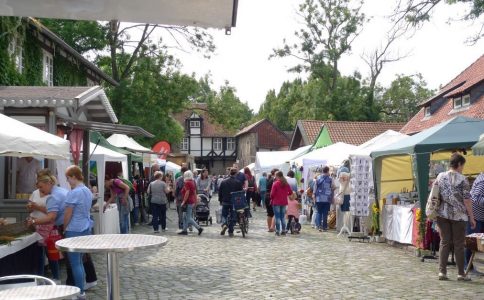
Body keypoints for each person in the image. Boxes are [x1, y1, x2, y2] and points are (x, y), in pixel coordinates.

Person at [435, 153, 476, 281]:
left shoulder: (440, 176)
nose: (462, 168)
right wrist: (472, 217)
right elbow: (467, 201)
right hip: (459, 216)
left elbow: (436, 194)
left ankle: (442, 272)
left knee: (444, 242)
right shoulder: (463, 179)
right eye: (462, 165)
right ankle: (460, 274)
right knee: (459, 244)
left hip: (442, 214)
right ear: (458, 164)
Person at [62, 165, 96, 296]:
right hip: (86, 227)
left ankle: (80, 292)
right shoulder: (87, 190)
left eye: (68, 178)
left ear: (74, 177)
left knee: (75, 263)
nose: (68, 181)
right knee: (80, 261)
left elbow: (68, 214)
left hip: (74, 229)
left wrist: (65, 228)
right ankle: (80, 290)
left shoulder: (74, 192)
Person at [27, 183, 60, 281]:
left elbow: (52, 214)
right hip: (35, 226)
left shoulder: (51, 195)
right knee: (39, 255)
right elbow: (29, 208)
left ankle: (56, 278)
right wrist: (29, 207)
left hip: (48, 227)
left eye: (41, 185)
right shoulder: (34, 193)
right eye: (38, 185)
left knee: (51, 254)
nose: (39, 188)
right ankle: (40, 278)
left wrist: (38, 207)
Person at [466, 172, 484, 271]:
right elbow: (476, 198)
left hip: (480, 216)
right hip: (475, 216)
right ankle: (468, 267)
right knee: (471, 243)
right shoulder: (482, 181)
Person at [218, 168, 244, 237]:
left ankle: (224, 224)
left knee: (224, 215)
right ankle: (231, 231)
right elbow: (240, 193)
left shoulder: (223, 182)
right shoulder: (238, 182)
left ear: (230, 173)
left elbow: (220, 192)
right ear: (236, 174)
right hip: (234, 202)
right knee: (233, 216)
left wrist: (220, 200)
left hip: (225, 201)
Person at [178, 170, 203, 235]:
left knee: (188, 217)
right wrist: (195, 200)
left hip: (188, 202)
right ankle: (184, 230)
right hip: (191, 201)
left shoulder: (187, 182)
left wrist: (183, 201)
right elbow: (194, 192)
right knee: (185, 216)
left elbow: (187, 192)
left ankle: (199, 228)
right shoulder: (192, 181)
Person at [314, 166, 336, 232]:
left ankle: (319, 226)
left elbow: (315, 188)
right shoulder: (330, 179)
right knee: (325, 213)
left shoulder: (318, 178)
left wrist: (314, 195)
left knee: (319, 212)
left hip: (319, 198)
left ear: (322, 171)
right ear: (328, 171)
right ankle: (324, 227)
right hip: (327, 198)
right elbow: (333, 187)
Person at [271, 171, 293, 236]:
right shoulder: (286, 183)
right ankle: (283, 230)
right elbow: (291, 192)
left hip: (276, 202)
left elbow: (272, 194)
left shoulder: (275, 183)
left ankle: (278, 231)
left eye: (275, 176)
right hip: (284, 202)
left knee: (277, 217)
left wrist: (272, 198)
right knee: (282, 217)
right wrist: (286, 194)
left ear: (277, 176)